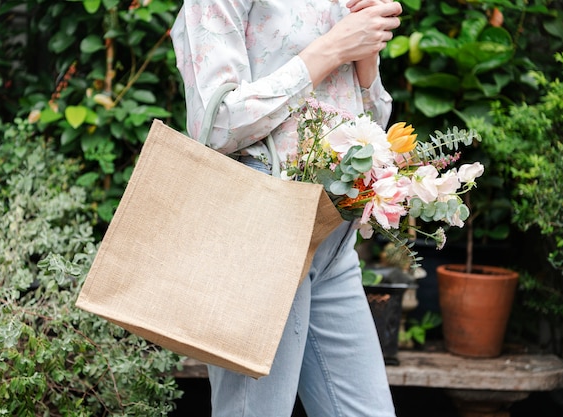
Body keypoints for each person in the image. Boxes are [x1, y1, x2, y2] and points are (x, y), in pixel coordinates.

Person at [171, 0, 402, 415]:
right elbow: (216, 121)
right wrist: (331, 49)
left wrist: (366, 57)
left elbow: (374, 122)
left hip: (333, 237)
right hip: (263, 230)